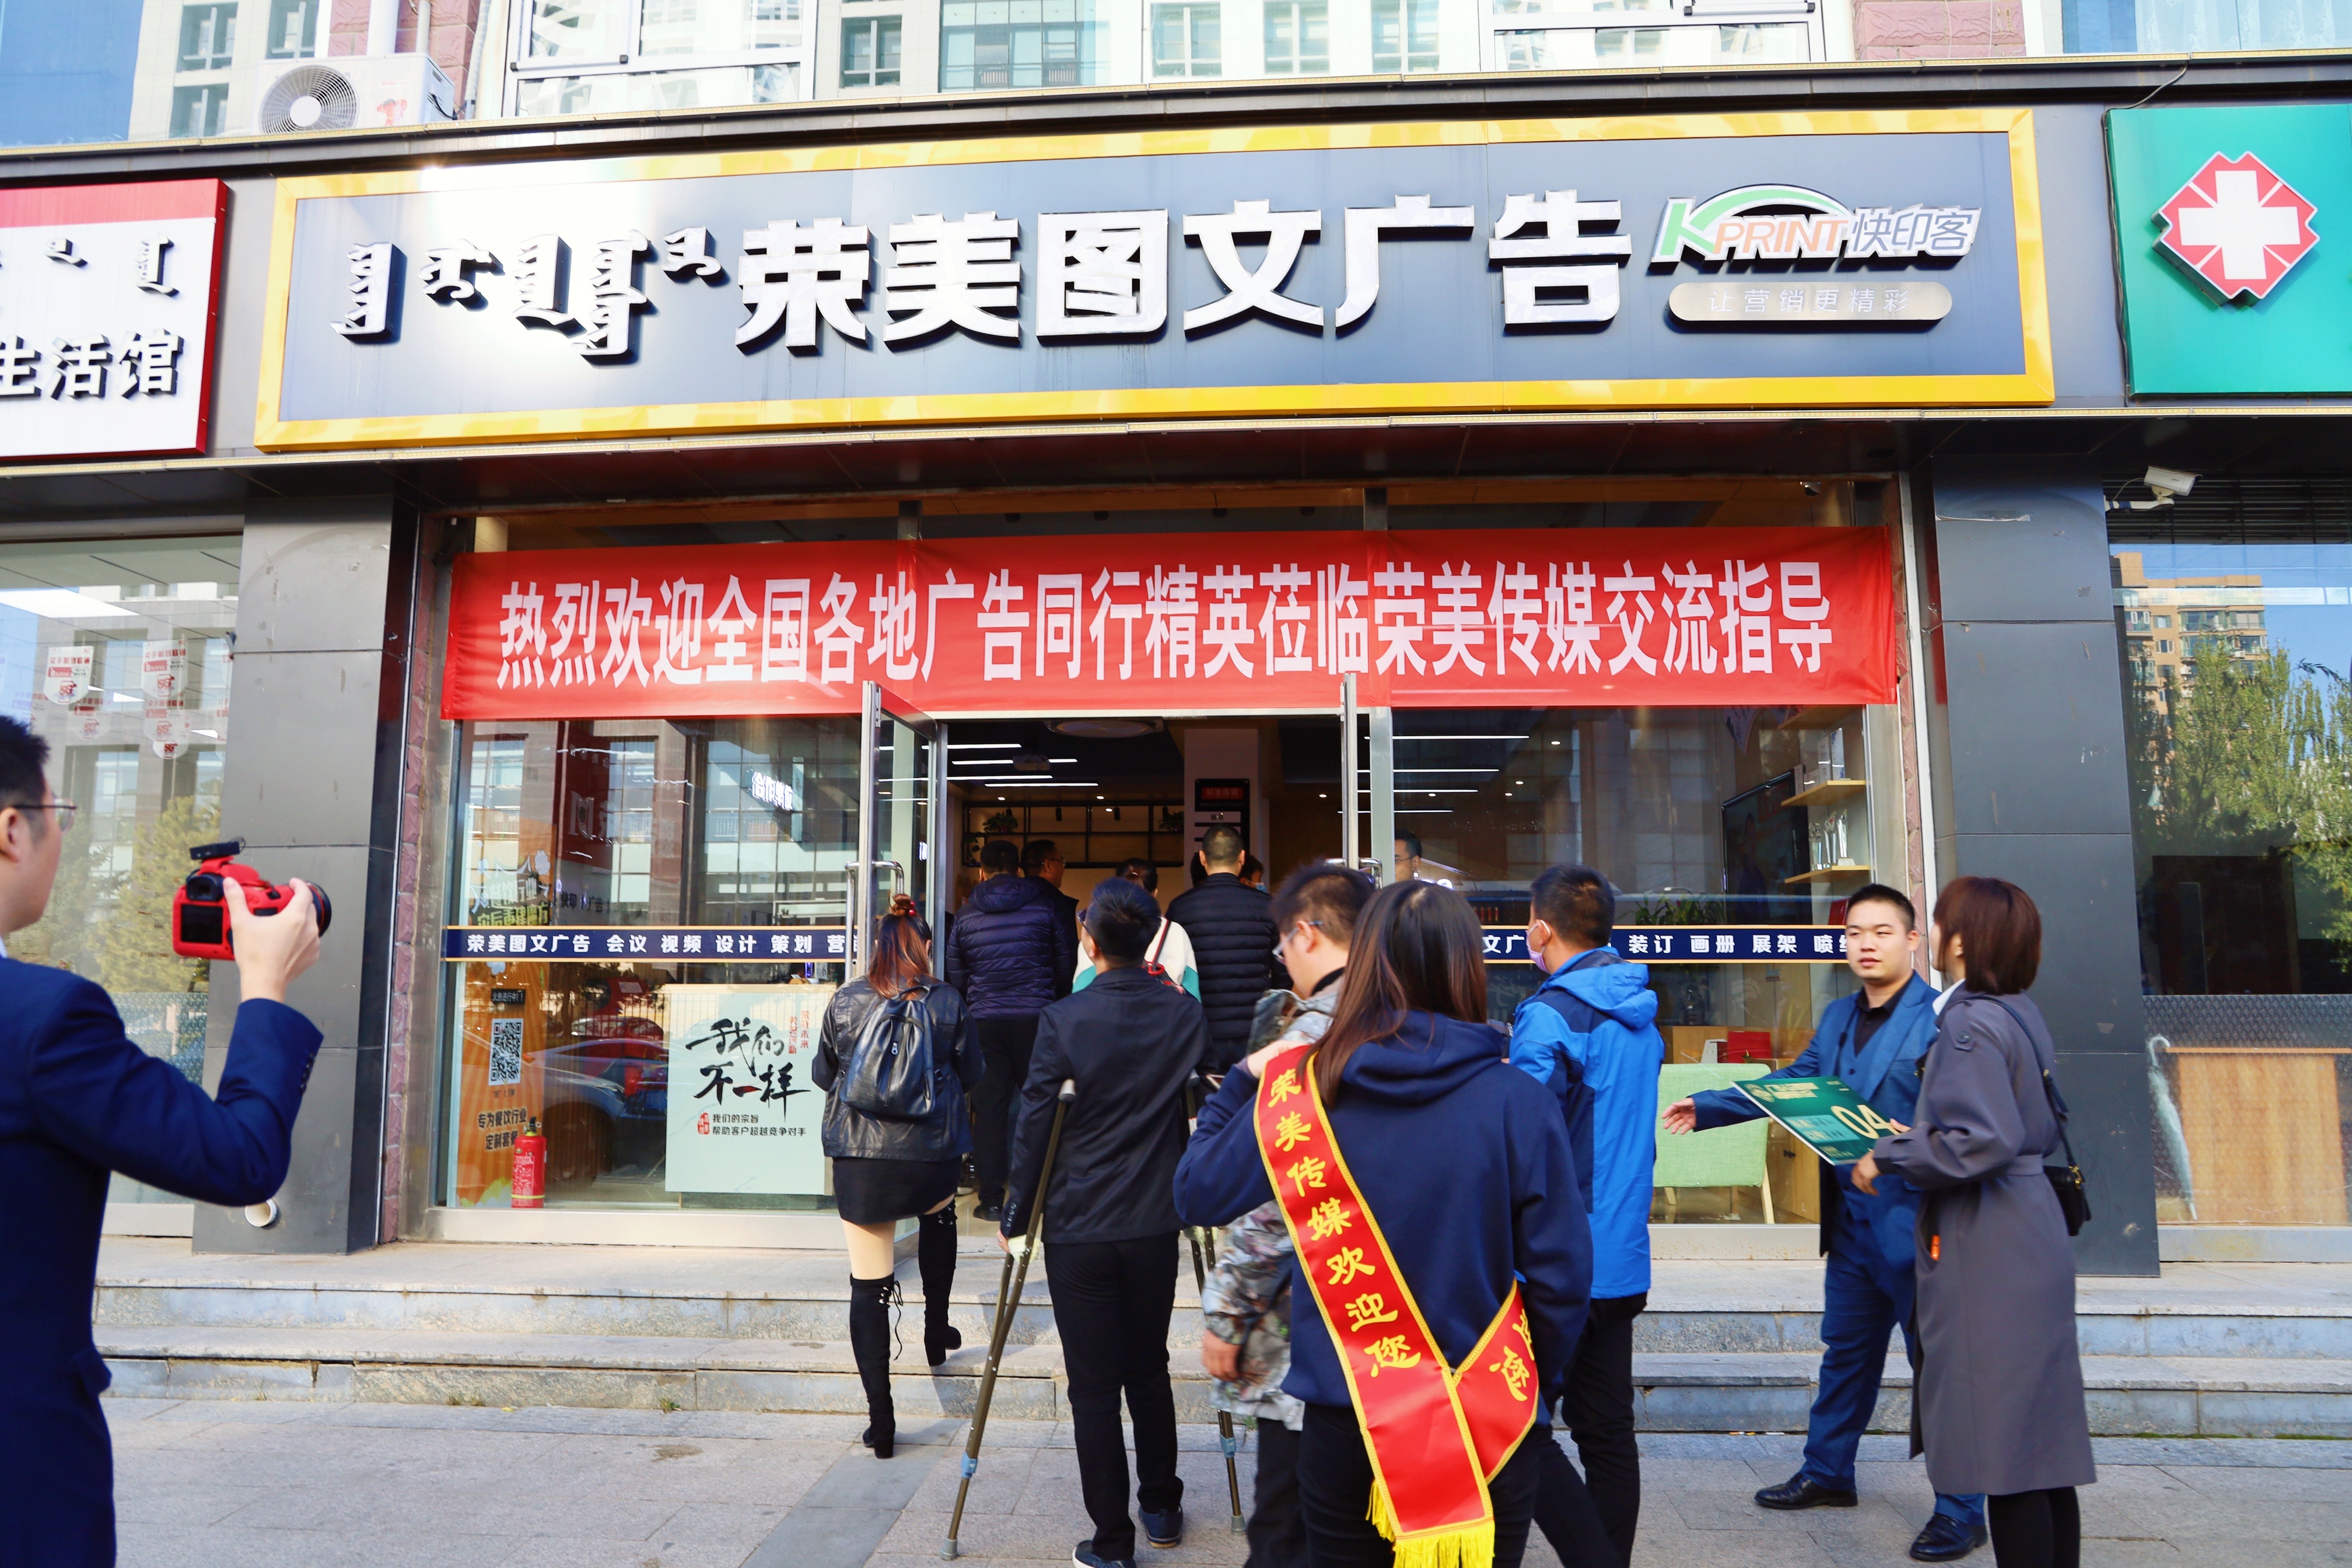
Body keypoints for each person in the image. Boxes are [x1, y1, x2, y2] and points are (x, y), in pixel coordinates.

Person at [1177, 879, 1591, 1568]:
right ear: (1468, 967)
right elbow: (1563, 1281)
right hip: (1485, 1410)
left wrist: (1247, 1077)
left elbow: (1196, 1193)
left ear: (1365, 961)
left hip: (1342, 1419)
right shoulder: (1518, 1101)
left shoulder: (1302, 1091)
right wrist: (1526, 1384)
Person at [0, 715, 325, 1568]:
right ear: (11, 831)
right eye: (60, 813)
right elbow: (238, 1157)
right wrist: (265, 987)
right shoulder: (41, 1020)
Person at [1664, 884, 1989, 1560]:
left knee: (1939, 1367)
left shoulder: (1942, 1020)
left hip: (1919, 1223)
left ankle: (1962, 1509)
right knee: (1845, 1354)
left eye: (1881, 932)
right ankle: (1828, 1472)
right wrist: (1714, 1105)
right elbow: (1797, 1083)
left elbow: (1964, 1123)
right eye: (1855, 933)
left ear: (1913, 941)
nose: (1866, 945)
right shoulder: (1839, 1015)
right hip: (1850, 1226)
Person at [1854, 878, 2096, 1568]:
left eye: (1939, 922)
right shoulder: (2018, 1011)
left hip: (1990, 1241)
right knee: (2042, 1448)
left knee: (2003, 1451)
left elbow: (1980, 1140)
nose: (1933, 933)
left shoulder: (1967, 1023)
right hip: (2029, 1228)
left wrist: (1889, 1153)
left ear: (1961, 940)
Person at [1002, 877, 1212, 1568]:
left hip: (1079, 1223)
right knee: (1147, 1365)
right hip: (1154, 1220)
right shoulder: (1184, 1015)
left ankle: (1113, 1543)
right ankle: (1162, 1506)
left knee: (1093, 1386)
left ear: (1089, 941)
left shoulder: (1064, 1019)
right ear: (1151, 938)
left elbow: (1036, 1122)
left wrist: (1017, 1213)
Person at [1198, 864, 1373, 1568]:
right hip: (1396, 1331)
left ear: (1306, 933)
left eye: (1282, 947)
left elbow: (1275, 1201)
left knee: (1285, 1523)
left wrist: (1227, 1312)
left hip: (1307, 1325)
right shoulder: (1407, 1019)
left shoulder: (1306, 1041)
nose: (1284, 963)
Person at [1508, 864, 1664, 1568]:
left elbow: (1522, 1138)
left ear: (1542, 929)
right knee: (1607, 1432)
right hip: (1623, 1254)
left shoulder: (1551, 1015)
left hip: (1559, 1262)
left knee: (1519, 1426)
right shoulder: (1641, 1011)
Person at [811, 892, 985, 1460]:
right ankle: (937, 1331)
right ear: (926, 946)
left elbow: (824, 1075)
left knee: (868, 1287)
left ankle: (881, 1422)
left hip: (861, 1161)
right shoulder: (947, 999)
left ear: (877, 945)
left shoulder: (845, 1000)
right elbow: (973, 1072)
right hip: (930, 1156)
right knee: (940, 1218)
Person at [945, 838, 1066, 1221]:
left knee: (990, 1113)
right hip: (1037, 1019)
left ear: (982, 872)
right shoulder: (1045, 907)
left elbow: (956, 975)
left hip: (986, 1022)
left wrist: (976, 1003)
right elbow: (1064, 965)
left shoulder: (966, 915)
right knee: (1040, 1106)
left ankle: (992, 1200)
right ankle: (1039, 1196)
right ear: (1018, 870)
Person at [1167, 824, 1283, 1072]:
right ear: (1242, 857)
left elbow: (1170, 971)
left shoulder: (1181, 908)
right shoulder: (1268, 906)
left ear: (1203, 858)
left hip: (1202, 1030)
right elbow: (1284, 970)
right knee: (1251, 1095)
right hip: (1255, 1032)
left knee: (1207, 1096)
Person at [1072, 858, 1199, 998]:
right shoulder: (1176, 932)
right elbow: (1192, 994)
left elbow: (1081, 988)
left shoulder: (1095, 929)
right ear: (1155, 894)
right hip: (1164, 1009)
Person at [1023, 838, 1082, 998]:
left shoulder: (1010, 899)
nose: (1063, 868)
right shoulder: (1057, 904)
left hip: (992, 1003)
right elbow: (1066, 964)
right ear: (1048, 865)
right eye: (1061, 861)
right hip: (1044, 999)